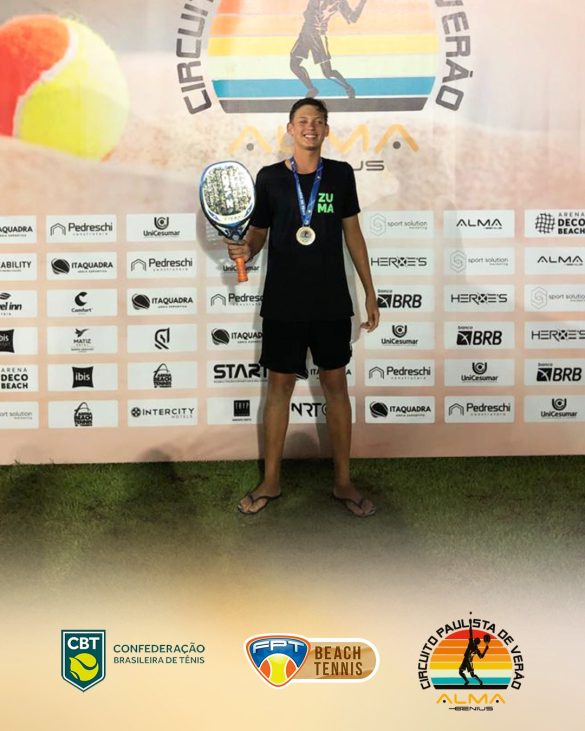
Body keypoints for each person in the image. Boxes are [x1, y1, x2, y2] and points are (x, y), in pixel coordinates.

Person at [225, 97, 379, 517]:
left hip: (331, 301)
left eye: (318, 121)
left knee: (336, 387)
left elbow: (353, 235)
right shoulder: (270, 178)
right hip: (284, 302)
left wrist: (369, 289)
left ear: (326, 130)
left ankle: (343, 482)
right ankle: (271, 481)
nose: (311, 126)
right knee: (278, 389)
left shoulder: (341, 175)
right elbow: (258, 233)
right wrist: (246, 249)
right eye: (303, 120)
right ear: (290, 129)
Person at [290, 0, 368, 99]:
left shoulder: (340, 2)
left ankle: (349, 88)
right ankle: (312, 89)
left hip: (318, 36)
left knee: (327, 73)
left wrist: (362, 3)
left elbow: (352, 18)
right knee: (294, 65)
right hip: (305, 33)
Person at [458, 621, 491, 686]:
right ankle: (475, 681)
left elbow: (470, 633)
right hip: (467, 660)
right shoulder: (476, 649)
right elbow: (481, 656)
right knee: (465, 673)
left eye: (474, 640)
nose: (473, 640)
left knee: (462, 672)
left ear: (474, 641)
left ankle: (475, 681)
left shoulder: (471, 643)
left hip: (468, 661)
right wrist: (485, 650)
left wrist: (470, 624)